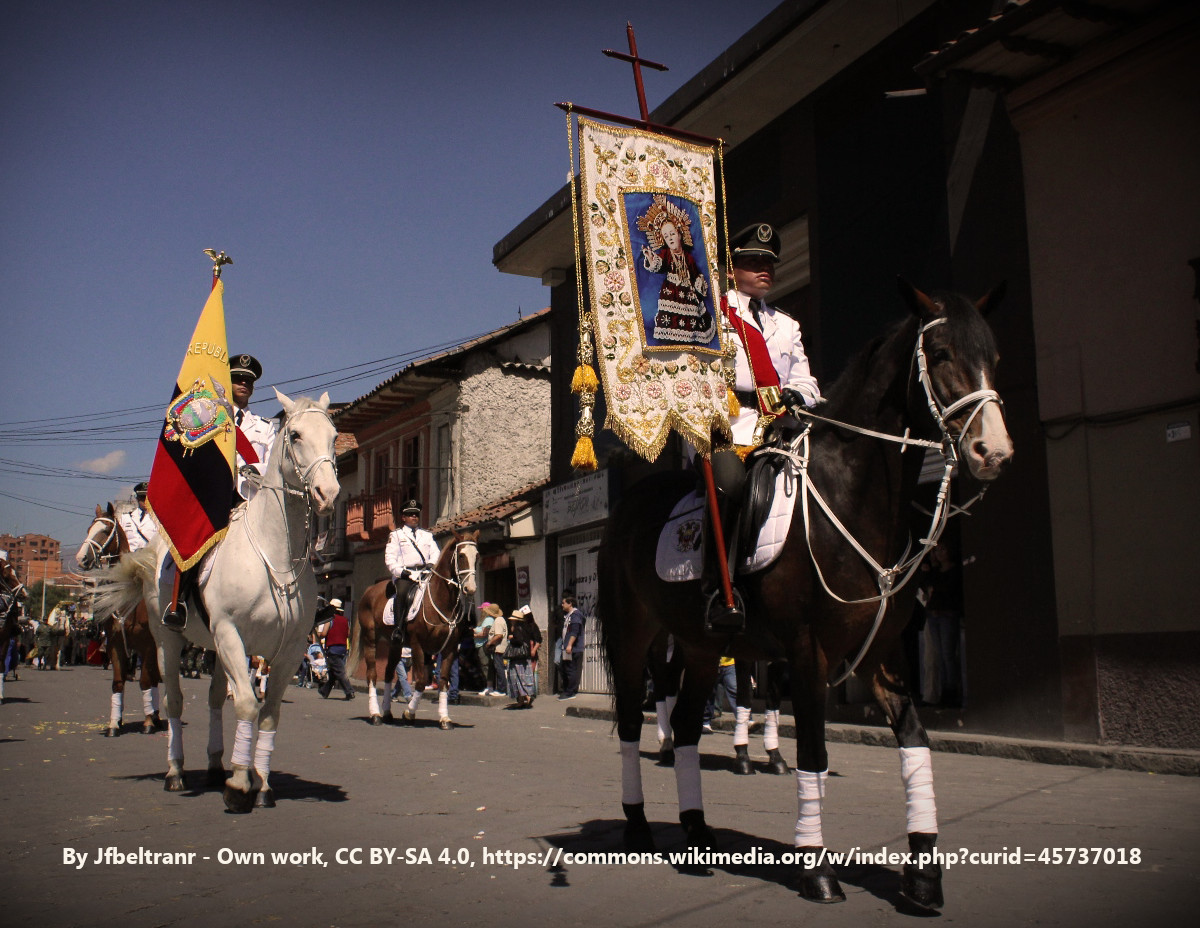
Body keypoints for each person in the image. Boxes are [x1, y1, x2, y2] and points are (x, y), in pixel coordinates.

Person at [704, 222, 822, 627]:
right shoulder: (711, 314)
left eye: (769, 263)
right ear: (732, 267)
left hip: (779, 427)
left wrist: (798, 395)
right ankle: (717, 587)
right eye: (754, 262)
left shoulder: (787, 325)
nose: (765, 269)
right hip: (726, 426)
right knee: (731, 485)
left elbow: (806, 379)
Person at [638, 194, 714, 345]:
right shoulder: (666, 254)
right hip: (672, 292)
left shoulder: (688, 257)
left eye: (672, 234)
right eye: (666, 236)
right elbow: (660, 264)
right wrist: (651, 258)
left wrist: (699, 282)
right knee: (672, 321)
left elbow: (695, 274)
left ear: (679, 234)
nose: (670, 238)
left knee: (693, 320)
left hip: (688, 292)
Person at [383, 500, 440, 651]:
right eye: (410, 515)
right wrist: (401, 572)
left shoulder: (427, 535)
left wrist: (431, 564)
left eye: (416, 514)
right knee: (402, 593)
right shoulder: (396, 535)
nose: (414, 517)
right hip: (405, 575)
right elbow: (390, 559)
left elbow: (435, 552)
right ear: (403, 517)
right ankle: (399, 630)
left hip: (425, 573)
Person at [229, 353, 278, 503]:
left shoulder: (265, 426)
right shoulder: (215, 420)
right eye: (238, 379)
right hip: (217, 498)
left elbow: (272, 466)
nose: (243, 383)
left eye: (248, 381)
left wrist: (255, 469)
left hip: (251, 498)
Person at [315, 598, 355, 701]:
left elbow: (324, 633)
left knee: (340, 671)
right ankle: (324, 691)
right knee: (334, 672)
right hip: (343, 648)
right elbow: (348, 634)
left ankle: (349, 691)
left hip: (333, 648)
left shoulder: (330, 620)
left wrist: (318, 634)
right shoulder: (346, 620)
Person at [504, 608, 535, 708]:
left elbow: (519, 641)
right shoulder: (526, 628)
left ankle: (526, 697)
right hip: (524, 657)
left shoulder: (517, 629)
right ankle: (521, 700)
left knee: (517, 678)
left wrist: (511, 639)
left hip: (517, 657)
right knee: (523, 678)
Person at [557, 592, 585, 700]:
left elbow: (575, 631)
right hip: (567, 647)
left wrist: (569, 645)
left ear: (570, 603)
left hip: (573, 648)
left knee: (571, 670)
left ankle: (570, 692)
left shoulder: (576, 615)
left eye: (564, 603)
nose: (562, 605)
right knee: (565, 668)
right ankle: (567, 689)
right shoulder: (568, 615)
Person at [117, 482, 158, 552]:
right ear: (137, 498)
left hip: (150, 558)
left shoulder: (158, 519)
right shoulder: (125, 518)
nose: (146, 501)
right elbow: (119, 539)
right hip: (129, 558)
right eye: (142, 498)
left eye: (148, 498)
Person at [476, 603, 503, 695]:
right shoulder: (486, 620)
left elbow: (484, 633)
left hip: (484, 644)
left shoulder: (488, 620)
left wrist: (473, 634)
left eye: (482, 609)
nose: (480, 611)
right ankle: (489, 686)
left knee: (486, 665)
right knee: (486, 665)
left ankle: (490, 687)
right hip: (482, 644)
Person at [485, 607, 508, 698]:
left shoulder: (498, 621)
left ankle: (502, 689)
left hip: (498, 648)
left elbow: (499, 635)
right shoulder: (500, 620)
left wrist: (489, 643)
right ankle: (501, 688)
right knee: (499, 667)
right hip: (499, 648)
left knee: (499, 668)